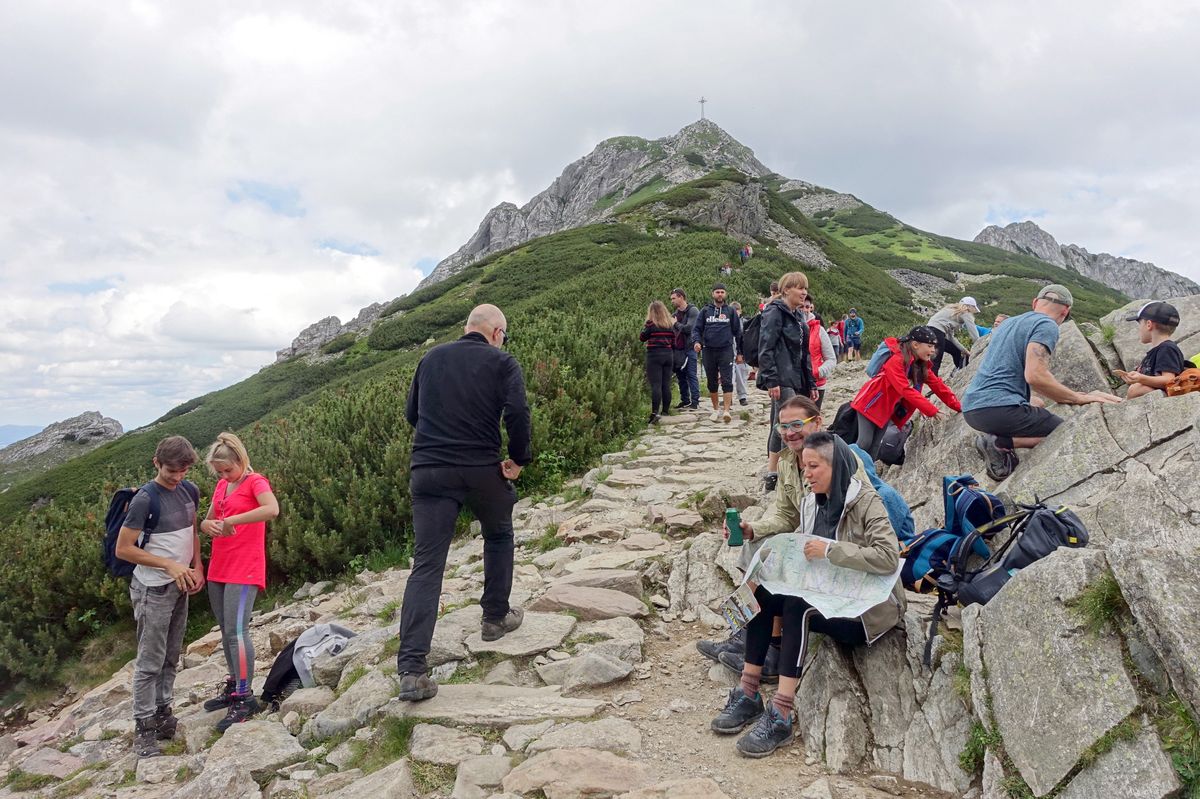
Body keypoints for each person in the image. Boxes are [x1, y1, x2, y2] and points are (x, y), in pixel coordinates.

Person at [709, 432, 906, 758]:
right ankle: (748, 692)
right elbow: (803, 547)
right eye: (804, 467)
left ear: (836, 467)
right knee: (765, 592)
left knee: (798, 607)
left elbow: (887, 557)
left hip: (867, 610)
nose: (807, 474)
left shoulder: (867, 502)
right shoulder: (812, 503)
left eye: (814, 466)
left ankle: (782, 713)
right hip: (829, 594)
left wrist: (831, 550)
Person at [696, 396, 914, 673]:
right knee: (755, 550)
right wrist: (753, 529)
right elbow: (785, 514)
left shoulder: (842, 457)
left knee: (771, 563)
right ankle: (743, 634)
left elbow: (853, 509)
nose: (790, 433)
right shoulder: (787, 462)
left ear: (818, 422)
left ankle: (773, 649)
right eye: (783, 427)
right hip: (807, 532)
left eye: (797, 424)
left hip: (839, 547)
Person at [396, 304, 532, 701]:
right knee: (499, 534)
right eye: (504, 334)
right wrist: (519, 459)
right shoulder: (502, 361)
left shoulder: (431, 358)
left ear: (468, 327)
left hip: (429, 471)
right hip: (480, 467)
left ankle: (412, 669)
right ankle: (494, 617)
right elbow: (518, 413)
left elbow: (411, 414)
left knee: (427, 564)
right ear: (495, 332)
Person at [965, 285, 1121, 481]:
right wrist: (1077, 398)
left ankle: (999, 439)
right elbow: (1036, 376)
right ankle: (998, 442)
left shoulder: (1007, 323)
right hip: (999, 409)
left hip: (973, 409)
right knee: (1066, 432)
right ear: (1065, 311)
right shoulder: (1046, 325)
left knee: (1037, 403)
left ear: (1035, 303)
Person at [115, 436, 204, 758]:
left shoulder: (189, 490)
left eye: (183, 470)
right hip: (152, 588)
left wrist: (197, 566)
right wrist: (168, 564)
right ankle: (143, 729)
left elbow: (191, 530)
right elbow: (123, 549)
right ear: (157, 463)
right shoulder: (144, 500)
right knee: (150, 660)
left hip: (181, 583)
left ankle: (164, 713)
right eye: (171, 471)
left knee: (172, 654)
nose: (177, 476)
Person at [199, 432, 280, 732]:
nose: (223, 475)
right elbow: (208, 520)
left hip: (244, 566)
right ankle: (235, 685)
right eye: (219, 471)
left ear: (240, 461)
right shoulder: (222, 486)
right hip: (220, 564)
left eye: (227, 470)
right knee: (225, 629)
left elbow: (271, 509)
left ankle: (245, 697)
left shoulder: (255, 481)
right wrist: (207, 524)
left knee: (237, 630)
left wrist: (233, 521)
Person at [850, 325, 962, 462]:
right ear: (915, 345)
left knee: (874, 446)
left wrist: (958, 406)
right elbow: (905, 390)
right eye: (930, 346)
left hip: (886, 408)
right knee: (864, 443)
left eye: (934, 347)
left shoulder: (919, 365)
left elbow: (938, 386)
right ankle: (843, 468)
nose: (933, 351)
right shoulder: (896, 361)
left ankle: (867, 477)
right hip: (869, 403)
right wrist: (932, 410)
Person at [759, 272, 816, 491]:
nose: (804, 293)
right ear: (786, 290)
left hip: (796, 377)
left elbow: (805, 353)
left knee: (780, 423)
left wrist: (810, 382)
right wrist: (771, 380)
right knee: (791, 424)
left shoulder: (799, 316)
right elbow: (766, 348)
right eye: (799, 288)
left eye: (805, 288)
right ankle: (788, 474)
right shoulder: (774, 313)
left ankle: (772, 473)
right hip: (781, 378)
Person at [692, 282, 743, 423]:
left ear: (725, 294)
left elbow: (738, 333)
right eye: (717, 292)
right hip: (708, 350)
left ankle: (726, 410)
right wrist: (697, 342)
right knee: (712, 381)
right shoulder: (705, 311)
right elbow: (697, 329)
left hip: (726, 349)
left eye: (722, 292)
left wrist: (740, 352)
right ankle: (715, 409)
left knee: (727, 380)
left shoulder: (731, 311)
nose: (720, 294)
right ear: (712, 294)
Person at [1117, 301, 1185, 399]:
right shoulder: (1158, 350)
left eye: (1139, 324)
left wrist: (1140, 379)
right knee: (1097, 394)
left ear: (1149, 325)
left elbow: (1169, 380)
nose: (1139, 329)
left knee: (1137, 389)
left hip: (1161, 402)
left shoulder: (1167, 348)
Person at [640, 300, 677, 423]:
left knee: (656, 385)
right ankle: (665, 411)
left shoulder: (650, 324)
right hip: (668, 355)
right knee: (665, 384)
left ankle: (655, 413)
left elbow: (642, 337)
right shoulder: (669, 325)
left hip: (654, 355)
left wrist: (645, 327)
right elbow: (674, 342)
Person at [927, 297, 981, 374]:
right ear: (969, 306)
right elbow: (973, 333)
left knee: (955, 350)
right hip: (938, 332)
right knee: (936, 360)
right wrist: (979, 345)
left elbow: (950, 337)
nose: (973, 312)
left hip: (928, 331)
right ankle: (933, 381)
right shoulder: (965, 313)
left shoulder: (952, 312)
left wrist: (964, 351)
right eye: (973, 308)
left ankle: (959, 371)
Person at [801, 297, 835, 408]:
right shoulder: (788, 327)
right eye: (801, 306)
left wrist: (817, 372)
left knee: (812, 420)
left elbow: (831, 359)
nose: (804, 310)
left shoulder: (819, 330)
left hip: (817, 384)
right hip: (794, 384)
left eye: (807, 307)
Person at [671, 289, 701, 410]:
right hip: (678, 349)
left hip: (690, 348)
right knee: (680, 375)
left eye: (674, 298)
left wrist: (675, 324)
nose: (672, 301)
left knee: (691, 374)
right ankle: (685, 400)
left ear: (681, 297)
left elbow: (689, 328)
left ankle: (695, 400)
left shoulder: (693, 311)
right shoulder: (675, 315)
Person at [731, 302, 751, 406]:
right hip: (730, 352)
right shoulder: (728, 323)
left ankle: (742, 396)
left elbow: (745, 339)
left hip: (742, 353)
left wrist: (742, 353)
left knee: (741, 376)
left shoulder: (745, 323)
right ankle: (728, 396)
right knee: (729, 377)